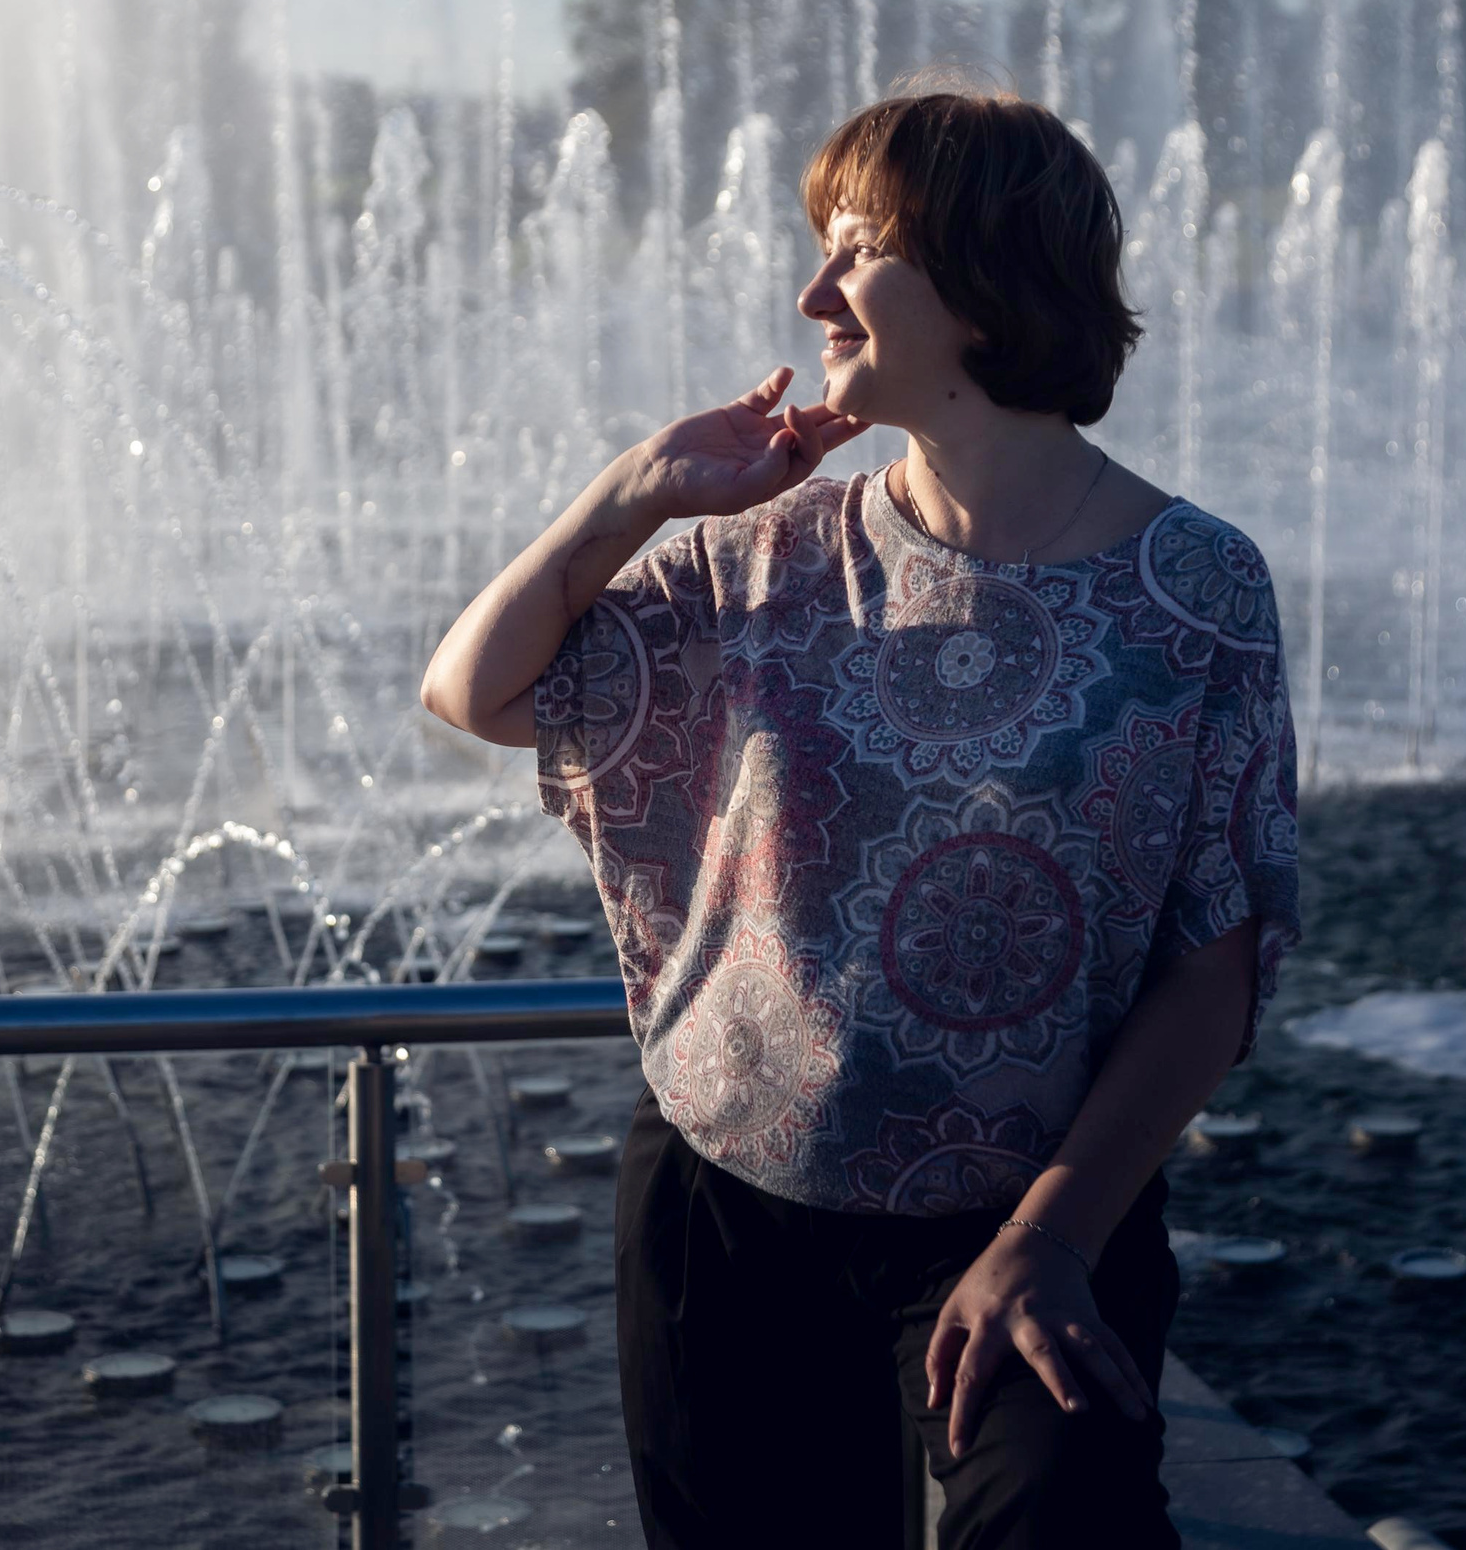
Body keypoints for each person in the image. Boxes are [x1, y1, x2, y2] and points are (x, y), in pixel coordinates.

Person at [420, 88, 1298, 1550]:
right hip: (726, 1205)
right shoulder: (760, 558)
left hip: (1034, 1217)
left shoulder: (1196, 589)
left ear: (987, 275)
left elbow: (1216, 967)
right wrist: (634, 493)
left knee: (1057, 1520)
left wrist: (1050, 1239)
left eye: (862, 247)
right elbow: (474, 688)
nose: (814, 293)